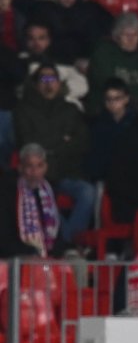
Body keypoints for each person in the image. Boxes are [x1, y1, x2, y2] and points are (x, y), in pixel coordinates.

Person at [14, 63, 93, 244]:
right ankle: (69, 244)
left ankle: (71, 241)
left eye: (53, 78)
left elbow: (82, 143)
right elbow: (28, 142)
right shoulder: (23, 110)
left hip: (67, 171)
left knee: (88, 192)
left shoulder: (71, 110)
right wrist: (63, 140)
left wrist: (51, 147)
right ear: (36, 83)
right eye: (44, 78)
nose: (49, 83)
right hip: (37, 174)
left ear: (59, 83)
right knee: (43, 200)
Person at [25, 0, 111, 67]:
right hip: (53, 64)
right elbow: (38, 42)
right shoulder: (43, 11)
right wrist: (72, 61)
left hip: (87, 63)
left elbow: (107, 33)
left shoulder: (90, 9)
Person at [86, 13, 138, 115]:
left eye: (135, 35)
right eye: (126, 35)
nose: (131, 39)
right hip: (105, 112)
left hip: (137, 114)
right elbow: (105, 84)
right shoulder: (104, 53)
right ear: (117, 36)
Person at [0, 143, 61, 256]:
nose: (35, 172)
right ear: (20, 168)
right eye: (29, 166)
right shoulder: (7, 191)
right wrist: (31, 252)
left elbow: (55, 234)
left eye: (39, 166)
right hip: (15, 256)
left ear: (46, 167)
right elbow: (4, 237)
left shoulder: (49, 191)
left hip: (45, 256)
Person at [19, 22, 88, 111]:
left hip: (62, 110)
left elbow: (82, 86)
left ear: (49, 40)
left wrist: (58, 89)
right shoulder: (17, 62)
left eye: (41, 38)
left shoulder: (62, 62)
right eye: (31, 38)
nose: (36, 43)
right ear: (25, 41)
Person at [86, 78, 136, 183]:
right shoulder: (98, 123)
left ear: (126, 99)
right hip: (105, 176)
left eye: (117, 98)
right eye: (108, 99)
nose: (112, 102)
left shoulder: (136, 123)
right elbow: (95, 155)